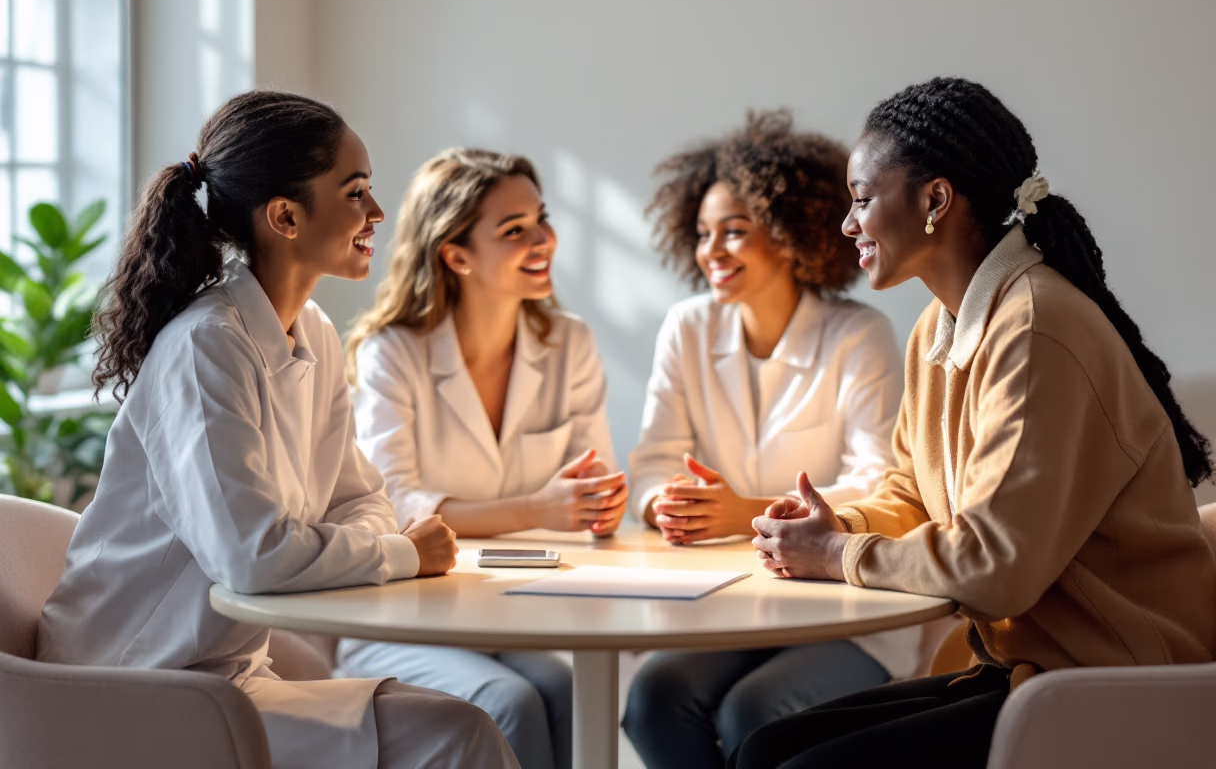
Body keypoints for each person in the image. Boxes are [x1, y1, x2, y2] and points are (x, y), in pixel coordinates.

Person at [737, 76, 1216, 768]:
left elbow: (997, 570)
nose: (848, 224)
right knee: (763, 748)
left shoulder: (1036, 329)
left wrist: (836, 558)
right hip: (1025, 667)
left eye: (863, 200)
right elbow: (912, 487)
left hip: (1110, 678)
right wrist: (840, 527)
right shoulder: (942, 325)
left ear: (935, 199)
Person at [36, 91, 518, 769]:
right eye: (356, 193)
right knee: (456, 735)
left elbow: (358, 497)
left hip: (223, 677)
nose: (377, 213)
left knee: (462, 726)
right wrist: (401, 554)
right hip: (129, 688)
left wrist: (369, 541)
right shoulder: (206, 347)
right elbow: (253, 558)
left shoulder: (313, 333)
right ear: (286, 216)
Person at [622, 110, 922, 768]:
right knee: (653, 698)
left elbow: (881, 481)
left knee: (753, 714)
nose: (712, 252)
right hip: (729, 598)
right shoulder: (687, 328)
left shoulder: (857, 335)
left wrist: (746, 512)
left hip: (844, 599)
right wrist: (662, 503)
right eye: (703, 235)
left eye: (735, 232)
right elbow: (650, 463)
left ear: (791, 235)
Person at [336, 148, 627, 769]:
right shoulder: (394, 353)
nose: (544, 239)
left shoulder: (568, 343)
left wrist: (597, 506)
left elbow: (592, 484)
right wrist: (541, 507)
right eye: (515, 231)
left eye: (541, 219)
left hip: (517, 615)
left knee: (568, 687)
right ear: (457, 255)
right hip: (403, 621)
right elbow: (395, 507)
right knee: (510, 700)